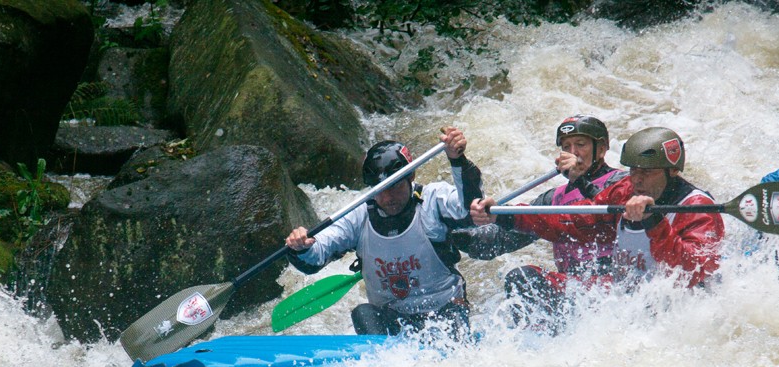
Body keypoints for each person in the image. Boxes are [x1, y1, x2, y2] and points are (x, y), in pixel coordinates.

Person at [470, 127, 724, 332]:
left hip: (672, 308)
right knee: (524, 279)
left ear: (673, 171)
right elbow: (574, 219)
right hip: (620, 294)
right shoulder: (626, 190)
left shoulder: (698, 208)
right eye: (634, 171)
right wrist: (504, 216)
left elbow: (693, 270)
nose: (637, 180)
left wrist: (654, 223)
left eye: (647, 172)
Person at [284, 127, 482, 338]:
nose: (388, 198)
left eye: (394, 186)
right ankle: (384, 357)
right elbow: (317, 254)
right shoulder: (358, 215)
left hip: (445, 309)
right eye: (379, 189)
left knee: (453, 315)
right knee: (363, 313)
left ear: (411, 176)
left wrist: (457, 160)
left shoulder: (433, 200)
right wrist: (301, 247)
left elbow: (470, 210)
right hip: (394, 318)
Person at [456, 115, 626, 277]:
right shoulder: (554, 198)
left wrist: (580, 181)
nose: (573, 153)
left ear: (601, 149)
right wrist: (454, 236)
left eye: (580, 144)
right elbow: (495, 242)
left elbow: (610, 209)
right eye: (566, 147)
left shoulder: (622, 182)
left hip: (615, 282)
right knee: (522, 277)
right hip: (572, 287)